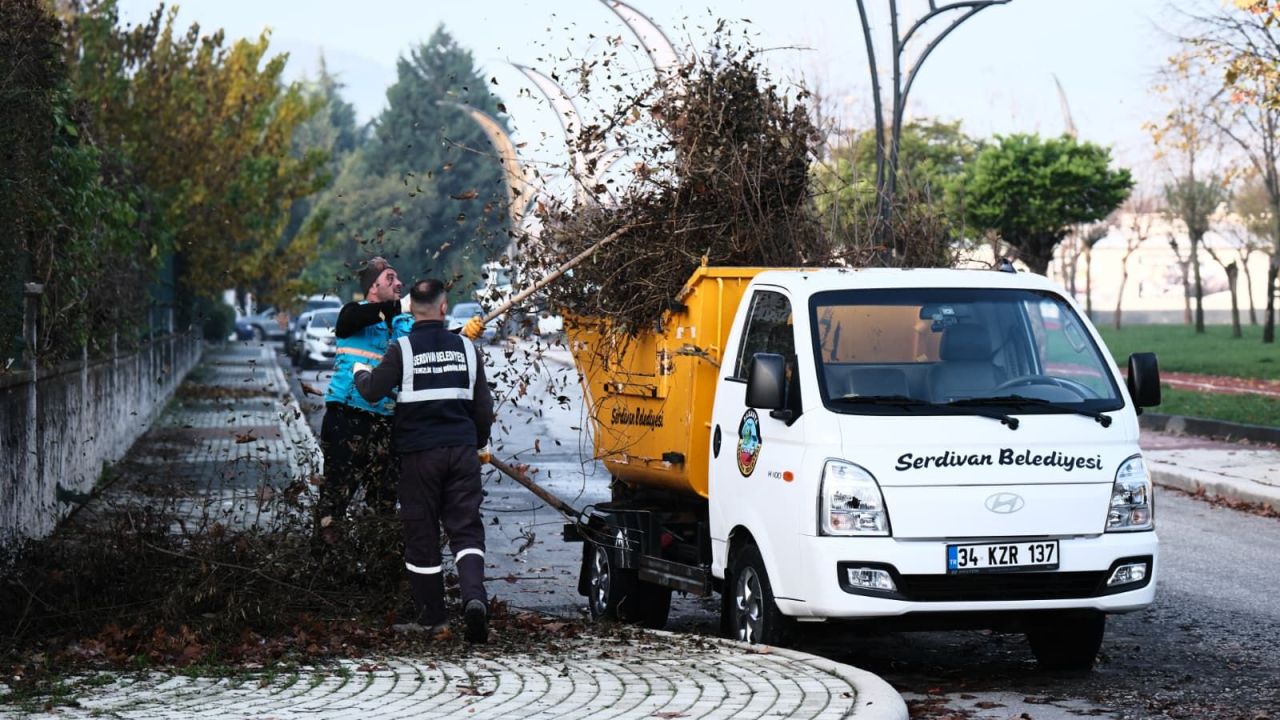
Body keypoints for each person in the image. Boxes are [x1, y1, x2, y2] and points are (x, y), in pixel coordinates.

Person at [352, 279, 494, 643]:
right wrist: (477, 443)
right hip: (461, 453)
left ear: (411, 310)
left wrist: (358, 371)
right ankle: (475, 600)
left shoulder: (402, 349)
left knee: (422, 535)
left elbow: (372, 391)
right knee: (466, 529)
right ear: (444, 308)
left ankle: (435, 620)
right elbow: (483, 408)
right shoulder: (467, 349)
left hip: (419, 457)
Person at [316, 257, 413, 541]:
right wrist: (398, 307)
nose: (399, 283)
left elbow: (429, 346)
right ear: (373, 286)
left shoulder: (405, 324)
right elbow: (348, 322)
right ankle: (324, 558)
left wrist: (462, 336)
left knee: (383, 504)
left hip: (386, 425)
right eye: (390, 278)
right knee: (335, 499)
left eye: (398, 278)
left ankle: (376, 562)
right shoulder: (353, 313)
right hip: (347, 420)